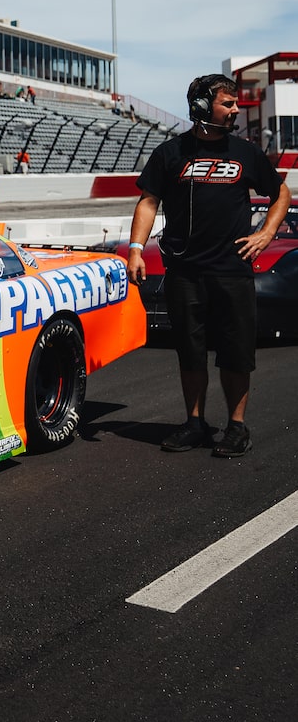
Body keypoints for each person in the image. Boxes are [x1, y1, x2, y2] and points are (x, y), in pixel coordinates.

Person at [126, 73, 291, 457]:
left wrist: (265, 234)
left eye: (235, 104)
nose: (236, 110)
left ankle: (236, 427)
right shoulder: (170, 153)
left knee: (235, 352)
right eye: (228, 104)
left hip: (232, 271)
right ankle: (195, 424)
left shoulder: (246, 152)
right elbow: (148, 201)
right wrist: (136, 248)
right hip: (185, 272)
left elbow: (280, 192)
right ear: (202, 106)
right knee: (190, 350)